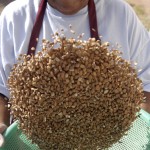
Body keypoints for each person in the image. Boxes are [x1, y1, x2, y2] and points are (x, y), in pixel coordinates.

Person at [0, 0, 150, 147]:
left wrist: (135, 138)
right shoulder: (16, 17)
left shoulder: (120, 14)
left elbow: (146, 81)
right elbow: (2, 90)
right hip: (29, 143)